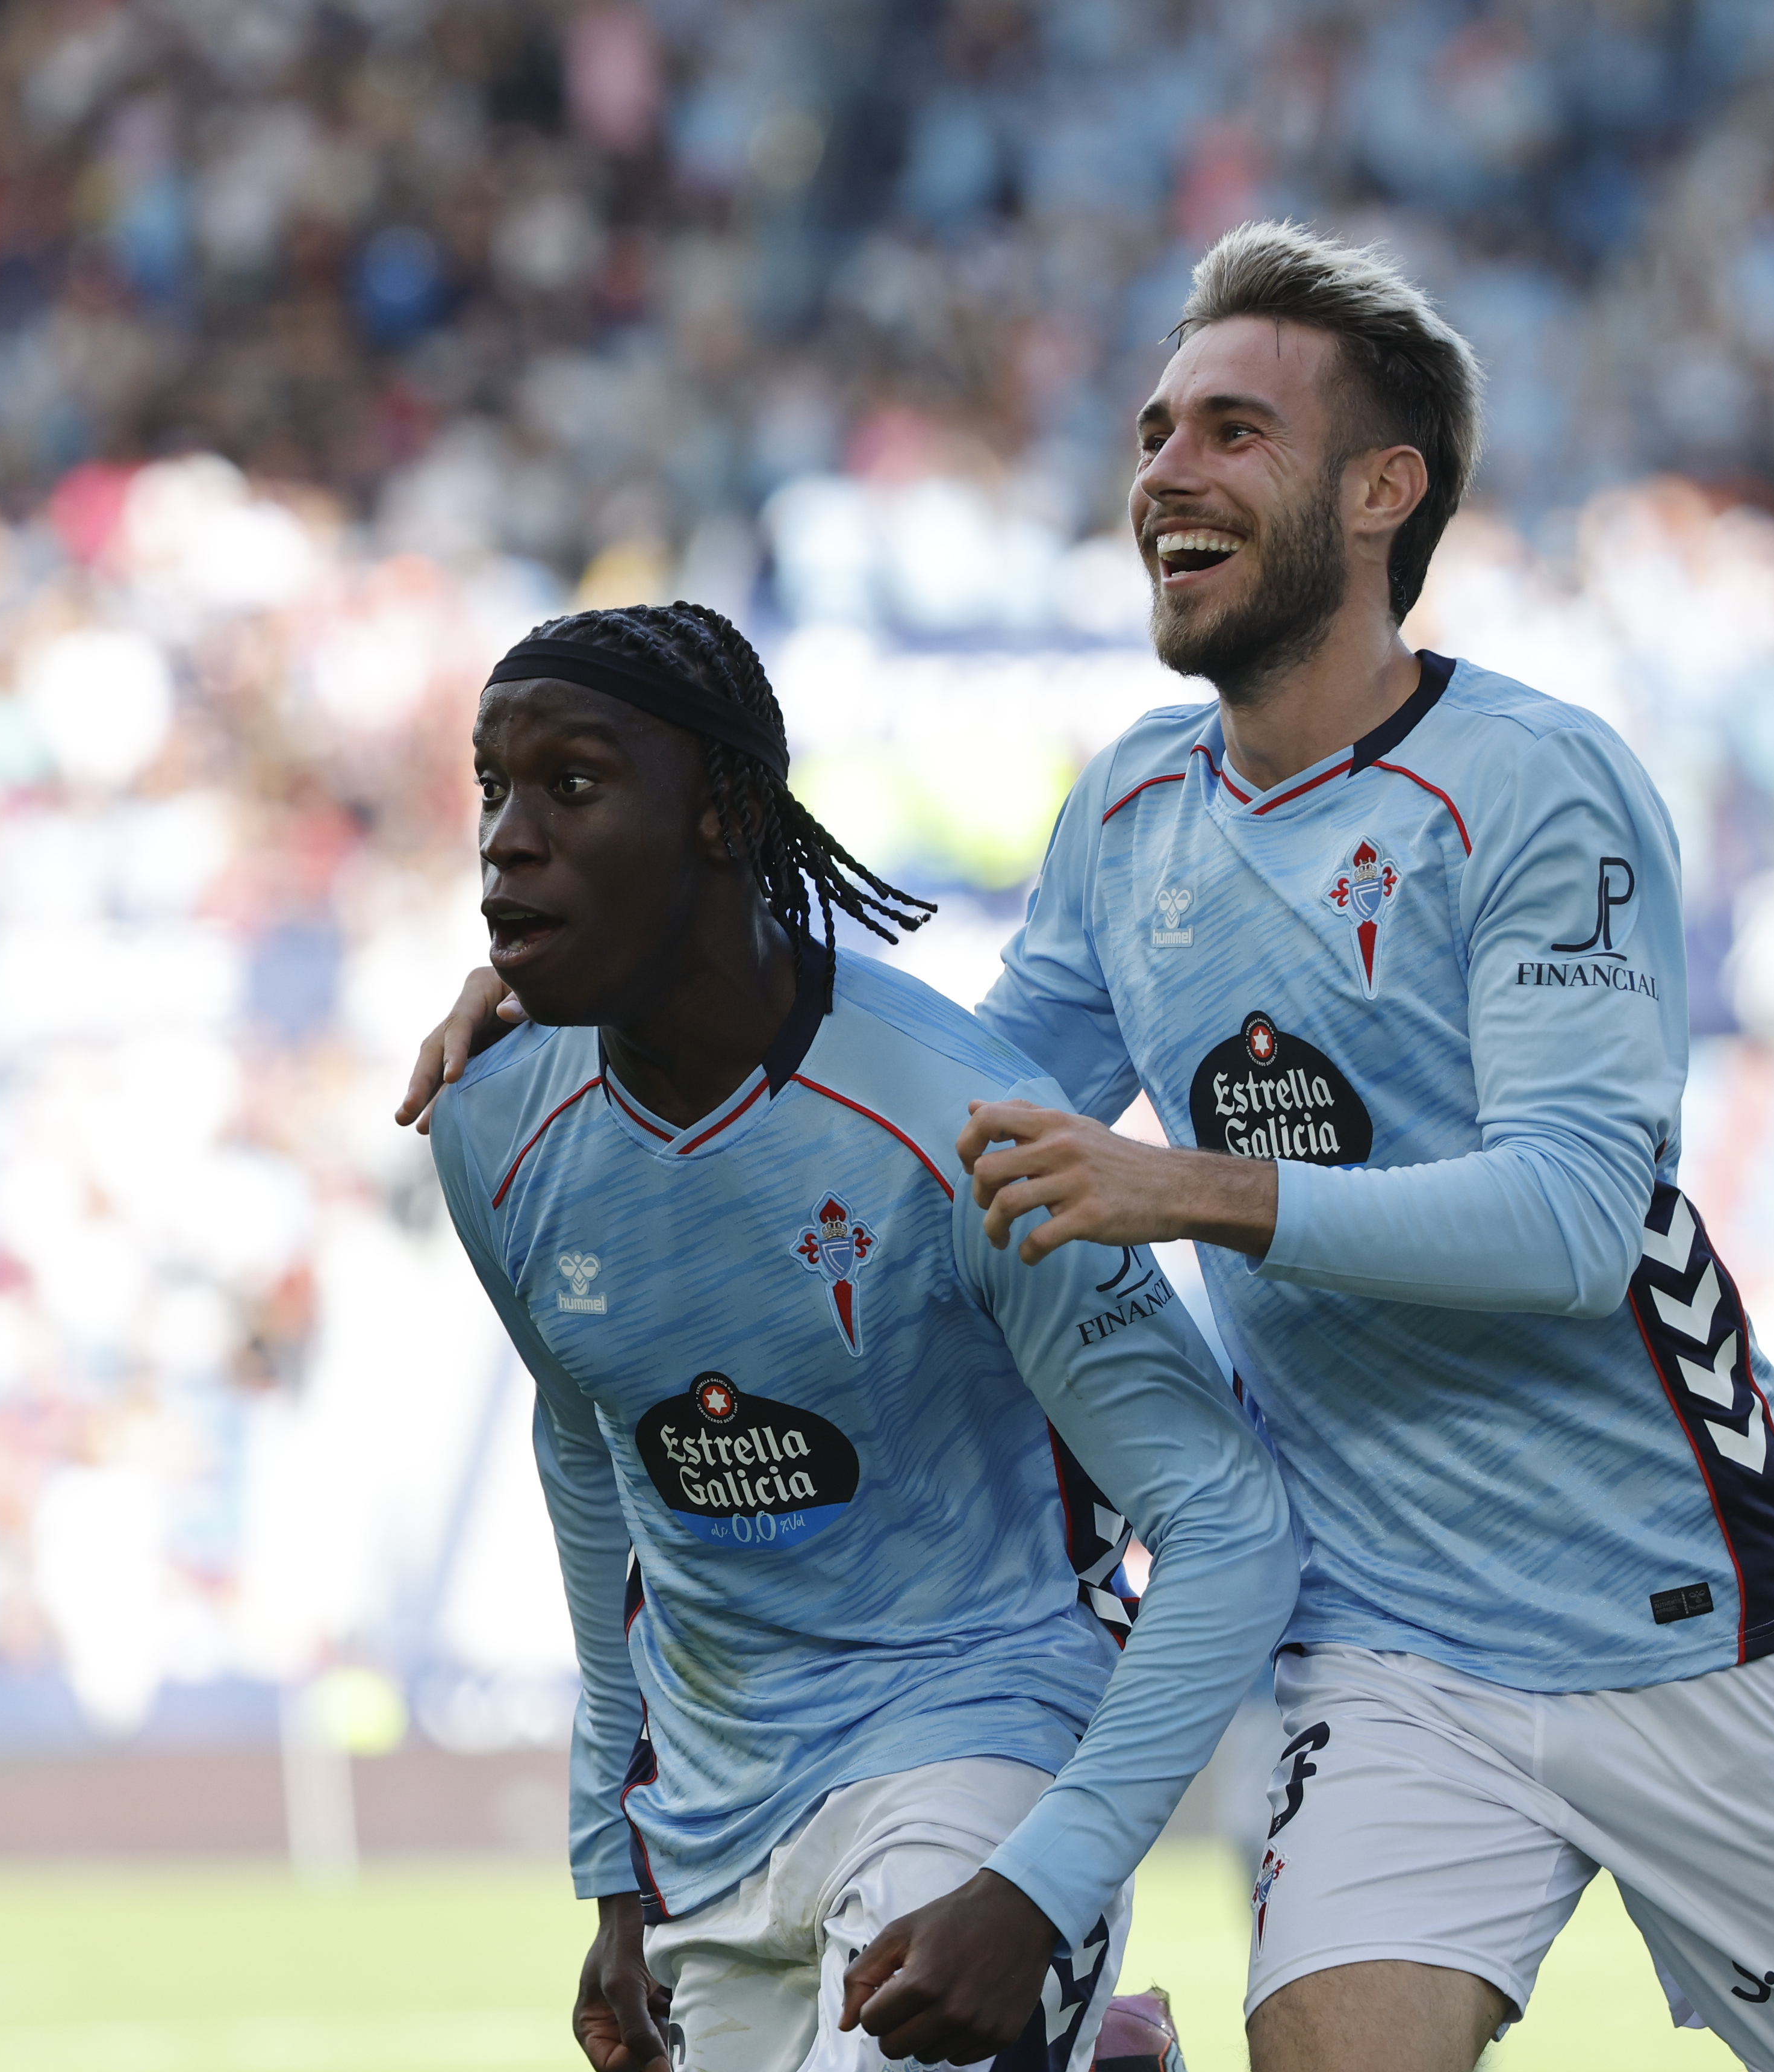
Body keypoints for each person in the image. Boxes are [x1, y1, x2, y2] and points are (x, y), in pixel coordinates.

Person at [405, 225, 1774, 2072]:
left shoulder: (1538, 783)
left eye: (1234, 431)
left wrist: (1189, 1188)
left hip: (1693, 1607)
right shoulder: (1134, 805)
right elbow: (955, 1110)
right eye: (1155, 431)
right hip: (1383, 1639)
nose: (1165, 473)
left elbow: (1572, 1221)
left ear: (1383, 493)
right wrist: (633, 973)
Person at [422, 598, 1296, 2072]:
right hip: (707, 1817)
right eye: (491, 788)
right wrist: (610, 1860)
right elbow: (590, 1458)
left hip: (976, 1739)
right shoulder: (489, 1123)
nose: (507, 836)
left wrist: (1039, 1884)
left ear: (721, 813)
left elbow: (1229, 1523)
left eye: (569, 785)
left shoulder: (962, 1122)